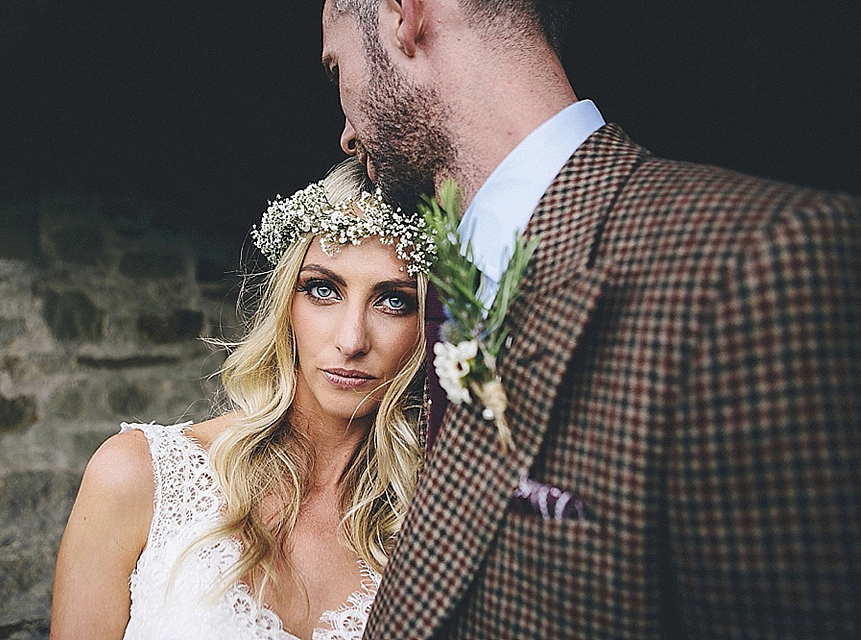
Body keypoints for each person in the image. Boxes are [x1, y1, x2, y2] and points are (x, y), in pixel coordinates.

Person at [320, 1, 861, 638]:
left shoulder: (761, 263)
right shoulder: (448, 290)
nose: (347, 136)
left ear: (403, 16)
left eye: (337, 68)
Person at [50, 158, 434, 639]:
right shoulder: (138, 475)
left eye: (394, 301)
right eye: (323, 290)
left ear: (430, 324)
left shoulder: (436, 519)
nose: (352, 339)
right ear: (287, 306)